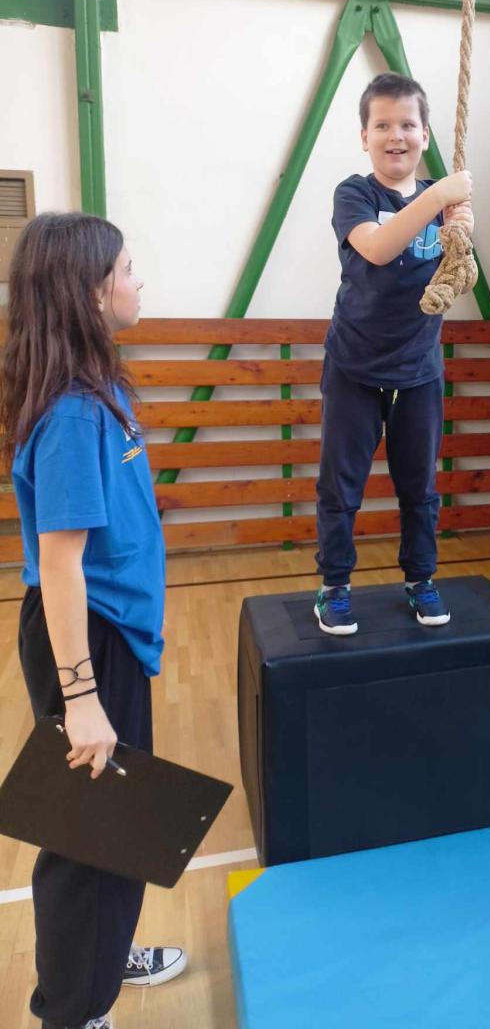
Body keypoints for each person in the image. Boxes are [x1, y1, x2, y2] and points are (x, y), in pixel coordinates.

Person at [1, 213, 185, 1029]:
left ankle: (104, 963)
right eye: (128, 268)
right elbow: (62, 562)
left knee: (116, 824)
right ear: (90, 290)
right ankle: (73, 1012)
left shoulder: (98, 387)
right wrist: (82, 698)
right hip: (87, 637)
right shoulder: (75, 414)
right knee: (85, 838)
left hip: (109, 634)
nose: (140, 280)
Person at [314, 72, 474, 635]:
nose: (395, 135)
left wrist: (460, 223)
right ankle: (335, 586)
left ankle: (420, 579)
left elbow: (458, 268)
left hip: (418, 369)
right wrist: (438, 197)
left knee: (419, 488)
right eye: (382, 125)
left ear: (425, 135)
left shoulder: (442, 199)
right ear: (364, 136)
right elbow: (379, 248)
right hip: (355, 367)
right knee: (342, 486)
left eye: (407, 124)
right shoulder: (355, 195)